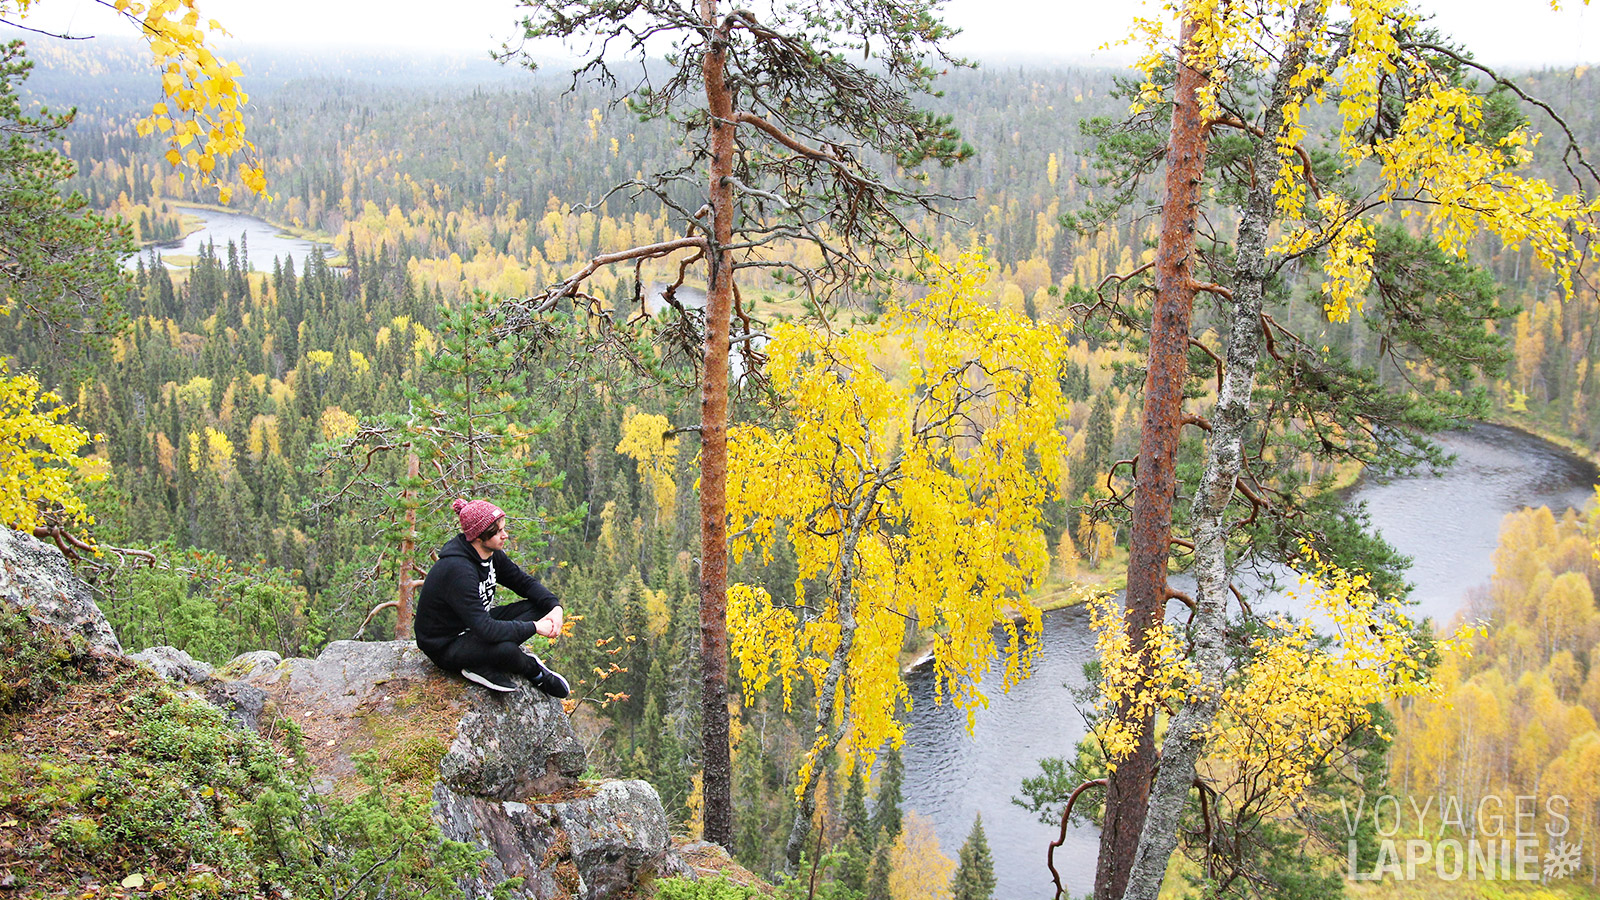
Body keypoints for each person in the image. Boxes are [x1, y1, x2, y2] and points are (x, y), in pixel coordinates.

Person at [414, 498, 571, 697]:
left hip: (474, 626)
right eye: (497, 532)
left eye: (503, 528)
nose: (505, 535)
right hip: (447, 644)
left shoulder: (490, 554)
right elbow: (487, 629)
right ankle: (533, 670)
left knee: (542, 608)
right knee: (506, 650)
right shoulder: (458, 571)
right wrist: (534, 627)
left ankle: (480, 661)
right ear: (479, 536)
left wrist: (555, 607)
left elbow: (522, 582)